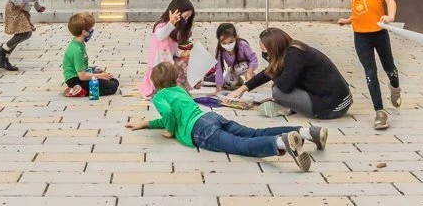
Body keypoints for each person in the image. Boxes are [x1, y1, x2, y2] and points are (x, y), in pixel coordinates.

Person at [126, 62, 326, 172]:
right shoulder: (178, 90)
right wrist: (146, 123)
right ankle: (307, 132)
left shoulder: (160, 96)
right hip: (211, 117)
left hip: (200, 131)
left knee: (240, 145)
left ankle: (281, 144)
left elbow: (169, 115)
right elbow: (175, 114)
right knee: (254, 132)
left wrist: (169, 131)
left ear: (155, 82)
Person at [336, 0, 401, 130]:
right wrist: (349, 20)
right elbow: (359, 8)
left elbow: (390, 1)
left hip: (379, 32)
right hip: (360, 35)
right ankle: (380, 112)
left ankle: (395, 86)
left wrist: (390, 16)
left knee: (389, 67)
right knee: (370, 72)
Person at [229, 27, 353, 121]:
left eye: (265, 51)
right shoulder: (292, 49)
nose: (265, 55)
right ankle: (292, 106)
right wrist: (242, 89)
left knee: (278, 91)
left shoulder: (295, 55)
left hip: (333, 106)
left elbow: (284, 86)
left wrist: (274, 77)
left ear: (274, 48)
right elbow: (268, 72)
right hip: (337, 99)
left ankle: (288, 108)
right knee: (278, 83)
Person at [139, 0, 195, 98]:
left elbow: (174, 48)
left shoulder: (178, 28)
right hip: (160, 67)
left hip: (171, 63)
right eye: (185, 16)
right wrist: (171, 23)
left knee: (185, 62)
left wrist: (182, 53)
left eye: (188, 18)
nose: (185, 20)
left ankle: (180, 87)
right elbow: (160, 36)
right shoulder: (162, 25)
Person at [62, 12, 119, 97]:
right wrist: (100, 76)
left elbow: (82, 68)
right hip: (76, 80)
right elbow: (82, 76)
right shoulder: (77, 50)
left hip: (78, 75)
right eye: (91, 29)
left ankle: (79, 89)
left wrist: (96, 71)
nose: (92, 30)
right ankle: (78, 90)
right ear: (84, 32)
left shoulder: (79, 44)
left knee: (113, 80)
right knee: (113, 86)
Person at [203, 23, 259, 90]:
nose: (228, 45)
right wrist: (219, 87)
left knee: (239, 69)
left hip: (245, 67)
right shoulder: (220, 50)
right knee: (228, 83)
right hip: (233, 68)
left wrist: (249, 72)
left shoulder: (242, 44)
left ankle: (252, 76)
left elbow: (253, 59)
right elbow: (219, 68)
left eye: (230, 42)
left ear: (235, 37)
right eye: (224, 43)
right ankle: (239, 80)